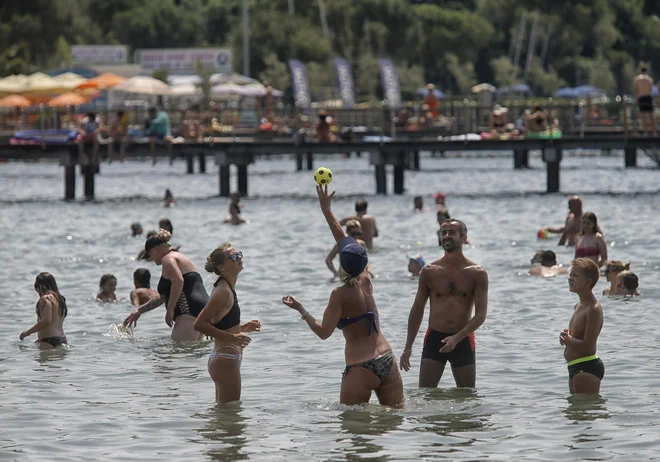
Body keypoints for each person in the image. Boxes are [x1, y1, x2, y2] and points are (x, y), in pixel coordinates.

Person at [282, 185, 404, 407]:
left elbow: (323, 332)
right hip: (387, 359)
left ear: (341, 264)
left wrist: (301, 310)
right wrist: (327, 211)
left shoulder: (339, 294)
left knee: (353, 432)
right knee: (394, 424)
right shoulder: (366, 280)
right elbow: (344, 240)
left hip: (360, 367)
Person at [400, 219, 488, 388]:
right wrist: (408, 346)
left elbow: (481, 315)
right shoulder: (429, 272)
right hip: (435, 338)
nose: (446, 236)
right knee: (426, 396)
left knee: (467, 399)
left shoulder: (477, 273)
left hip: (462, 339)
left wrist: (456, 338)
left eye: (452, 232)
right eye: (443, 232)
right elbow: (417, 309)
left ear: (464, 238)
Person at [194, 243, 261, 404]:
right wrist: (232, 338)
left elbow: (218, 322)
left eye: (238, 254)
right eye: (233, 256)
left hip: (224, 358)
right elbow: (199, 324)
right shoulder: (223, 291)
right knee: (231, 417)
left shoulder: (227, 288)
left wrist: (243, 328)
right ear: (222, 267)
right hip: (225, 359)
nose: (239, 257)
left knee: (224, 417)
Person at [123, 230, 208, 341]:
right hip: (203, 311)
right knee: (192, 354)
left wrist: (170, 310)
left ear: (156, 249)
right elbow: (165, 296)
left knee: (178, 355)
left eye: (150, 254)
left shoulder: (168, 259)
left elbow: (178, 281)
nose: (151, 259)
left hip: (188, 311)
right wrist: (139, 311)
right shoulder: (180, 257)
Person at [559, 258, 604, 394]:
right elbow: (577, 337)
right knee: (574, 413)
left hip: (586, 367)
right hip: (574, 366)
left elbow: (588, 346)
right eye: (570, 275)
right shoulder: (578, 306)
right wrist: (566, 337)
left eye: (575, 276)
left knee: (585, 413)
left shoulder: (593, 309)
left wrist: (569, 339)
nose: (570, 279)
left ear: (588, 282)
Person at [20, 272, 68, 348]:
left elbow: (46, 321)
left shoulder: (45, 299)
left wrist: (27, 332)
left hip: (48, 340)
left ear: (40, 286)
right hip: (62, 339)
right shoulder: (60, 299)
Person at [633, 66, 656, 136]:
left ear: (641, 71)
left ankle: (646, 132)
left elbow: (636, 90)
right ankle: (654, 132)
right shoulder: (649, 79)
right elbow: (650, 90)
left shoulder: (637, 79)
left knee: (643, 116)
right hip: (648, 97)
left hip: (641, 97)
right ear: (646, 71)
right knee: (651, 115)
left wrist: (636, 98)